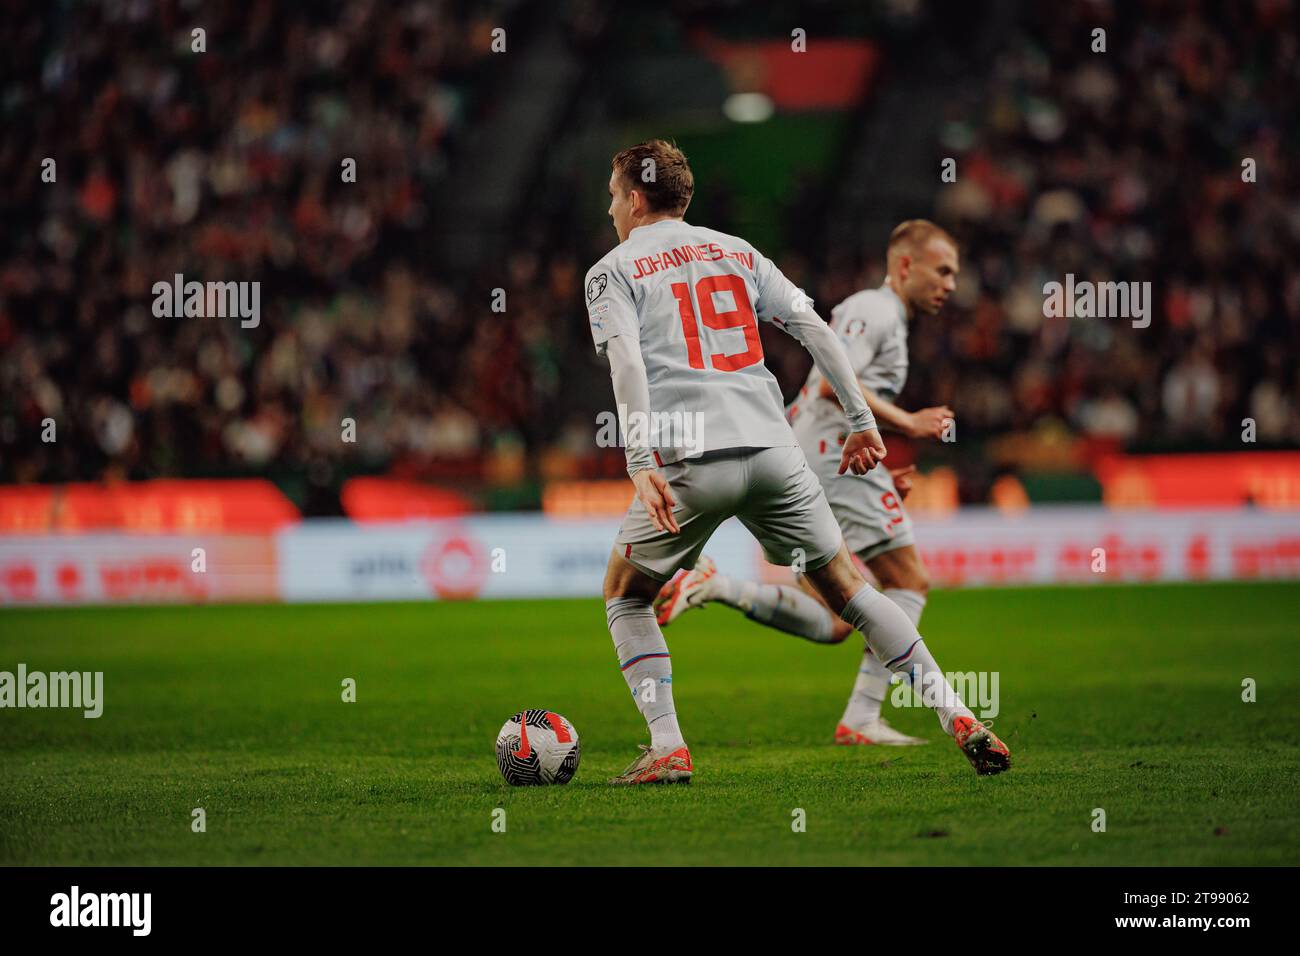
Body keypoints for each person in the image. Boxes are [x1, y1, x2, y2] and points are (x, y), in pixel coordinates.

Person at [585, 141, 1008, 785]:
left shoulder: (612, 270)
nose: (611, 206)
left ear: (635, 198)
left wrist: (639, 456)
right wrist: (864, 425)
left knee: (625, 595)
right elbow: (815, 329)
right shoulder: (738, 250)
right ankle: (958, 716)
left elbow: (629, 363)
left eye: (614, 195)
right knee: (852, 591)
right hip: (775, 451)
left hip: (690, 459)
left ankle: (667, 745)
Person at [656, 221, 961, 748]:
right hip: (822, 457)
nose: (951, 283)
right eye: (942, 270)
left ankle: (714, 585)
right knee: (908, 579)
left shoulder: (886, 317)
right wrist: (908, 424)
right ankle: (864, 716)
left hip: (814, 457)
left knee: (838, 616)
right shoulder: (876, 309)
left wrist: (877, 472)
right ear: (905, 266)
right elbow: (827, 384)